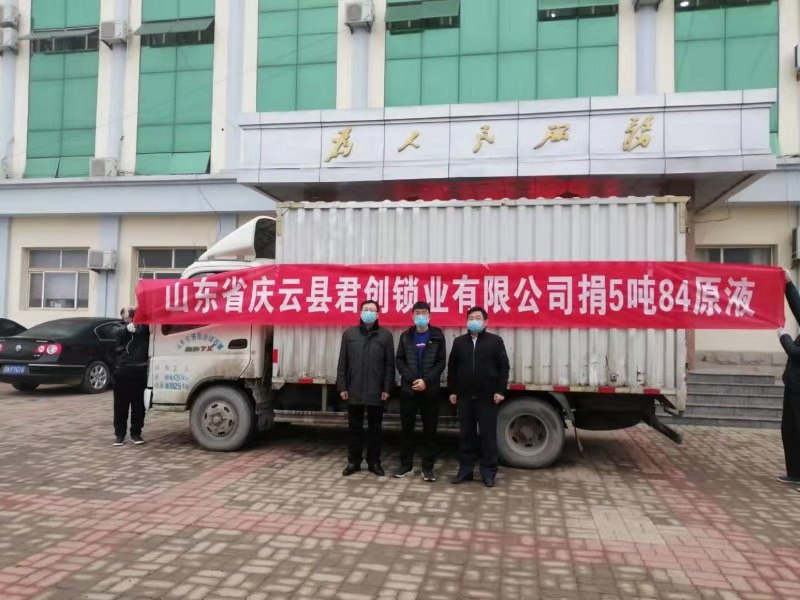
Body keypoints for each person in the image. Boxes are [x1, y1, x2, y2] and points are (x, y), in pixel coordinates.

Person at [447, 306, 510, 488]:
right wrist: (452, 391)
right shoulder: (459, 342)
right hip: (465, 397)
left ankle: (488, 473)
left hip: (487, 397)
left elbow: (504, 367)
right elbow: (452, 368)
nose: (474, 321)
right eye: (471, 318)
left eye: (478, 318)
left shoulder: (495, 341)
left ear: (485, 322)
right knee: (466, 436)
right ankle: (465, 471)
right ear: (466, 321)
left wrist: (500, 391)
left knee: (488, 437)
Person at [337, 300, 395, 477]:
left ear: (378, 314)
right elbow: (343, 363)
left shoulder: (385, 335)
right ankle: (353, 462)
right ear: (360, 312)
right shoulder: (349, 334)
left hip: (376, 391)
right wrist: (342, 386)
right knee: (354, 429)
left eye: (372, 310)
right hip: (354, 388)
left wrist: (387, 388)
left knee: (375, 430)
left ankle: (374, 462)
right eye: (366, 309)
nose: (368, 312)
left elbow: (389, 365)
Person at [394, 301, 446, 481]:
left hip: (430, 391)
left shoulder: (437, 335)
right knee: (407, 430)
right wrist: (412, 380)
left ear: (429, 315)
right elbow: (400, 360)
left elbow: (441, 362)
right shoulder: (406, 336)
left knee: (430, 431)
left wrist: (426, 381)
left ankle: (428, 468)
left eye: (424, 313)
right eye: (417, 313)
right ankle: (406, 465)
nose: (421, 316)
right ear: (412, 315)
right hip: (409, 391)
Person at [113, 307, 150, 446]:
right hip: (122, 370)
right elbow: (115, 332)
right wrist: (126, 328)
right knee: (120, 405)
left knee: (138, 405)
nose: (130, 315)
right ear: (122, 316)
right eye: (128, 313)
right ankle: (120, 434)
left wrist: (137, 325)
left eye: (132, 312)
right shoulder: (119, 326)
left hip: (139, 369)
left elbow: (146, 329)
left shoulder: (143, 327)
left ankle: (136, 433)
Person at [777, 268, 800, 485]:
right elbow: (798, 308)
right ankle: (794, 473)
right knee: (789, 430)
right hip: (793, 385)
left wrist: (783, 336)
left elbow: (795, 352)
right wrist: (788, 284)